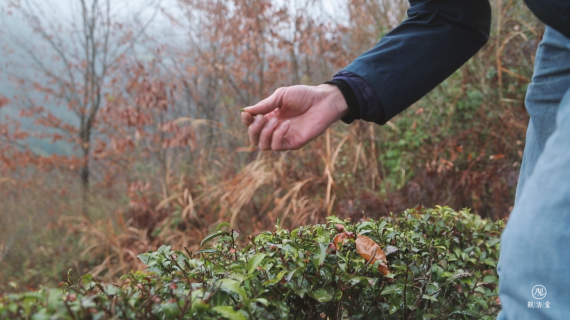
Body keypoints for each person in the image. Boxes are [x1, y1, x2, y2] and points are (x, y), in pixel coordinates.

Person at [241, 0, 570, 319]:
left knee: (540, 263)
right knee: (528, 281)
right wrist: (337, 95)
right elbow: (449, 13)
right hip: (562, 34)